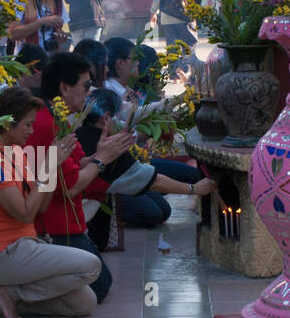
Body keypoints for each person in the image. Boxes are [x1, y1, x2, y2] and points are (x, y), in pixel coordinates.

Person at [0, 87, 102, 318]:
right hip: (2, 253)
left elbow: (40, 207)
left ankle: (12, 295)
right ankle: (8, 290)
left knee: (85, 303)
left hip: (25, 246)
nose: (32, 131)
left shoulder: (17, 152)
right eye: (27, 125)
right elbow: (25, 214)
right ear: (8, 123)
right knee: (91, 265)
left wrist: (51, 168)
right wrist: (49, 166)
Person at [23, 51, 134, 303]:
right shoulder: (45, 124)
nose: (89, 92)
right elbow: (71, 187)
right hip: (49, 229)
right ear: (64, 87)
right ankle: (24, 289)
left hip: (66, 223)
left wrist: (103, 152)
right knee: (99, 287)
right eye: (85, 86)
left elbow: (78, 165)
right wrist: (101, 159)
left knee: (99, 283)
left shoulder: (59, 118)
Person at [76, 88, 213, 240]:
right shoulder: (109, 147)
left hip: (77, 205)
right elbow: (153, 181)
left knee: (163, 210)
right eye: (118, 116)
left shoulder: (80, 133)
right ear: (107, 118)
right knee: (152, 213)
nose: (122, 122)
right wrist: (194, 189)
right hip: (74, 219)